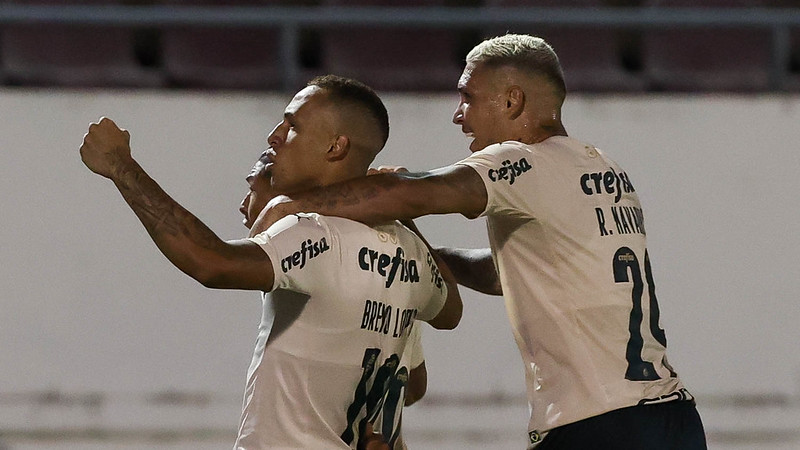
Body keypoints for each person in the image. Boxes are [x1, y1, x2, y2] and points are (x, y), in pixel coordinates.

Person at [251, 35, 707, 449]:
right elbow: (505, 271)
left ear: (512, 101)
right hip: (673, 418)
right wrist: (432, 257)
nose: (458, 114)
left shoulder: (522, 160)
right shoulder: (601, 167)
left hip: (601, 425)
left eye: (467, 97)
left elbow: (422, 191)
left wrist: (297, 204)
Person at [79, 74, 462, 449]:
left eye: (292, 126)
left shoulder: (314, 231)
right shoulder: (409, 251)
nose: (274, 136)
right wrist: (400, 209)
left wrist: (120, 167)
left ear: (335, 147)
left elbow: (211, 262)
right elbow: (436, 339)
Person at [238, 153, 429, 450]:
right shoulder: (396, 267)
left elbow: (212, 266)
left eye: (252, 187)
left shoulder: (314, 255)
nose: (243, 203)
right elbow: (415, 385)